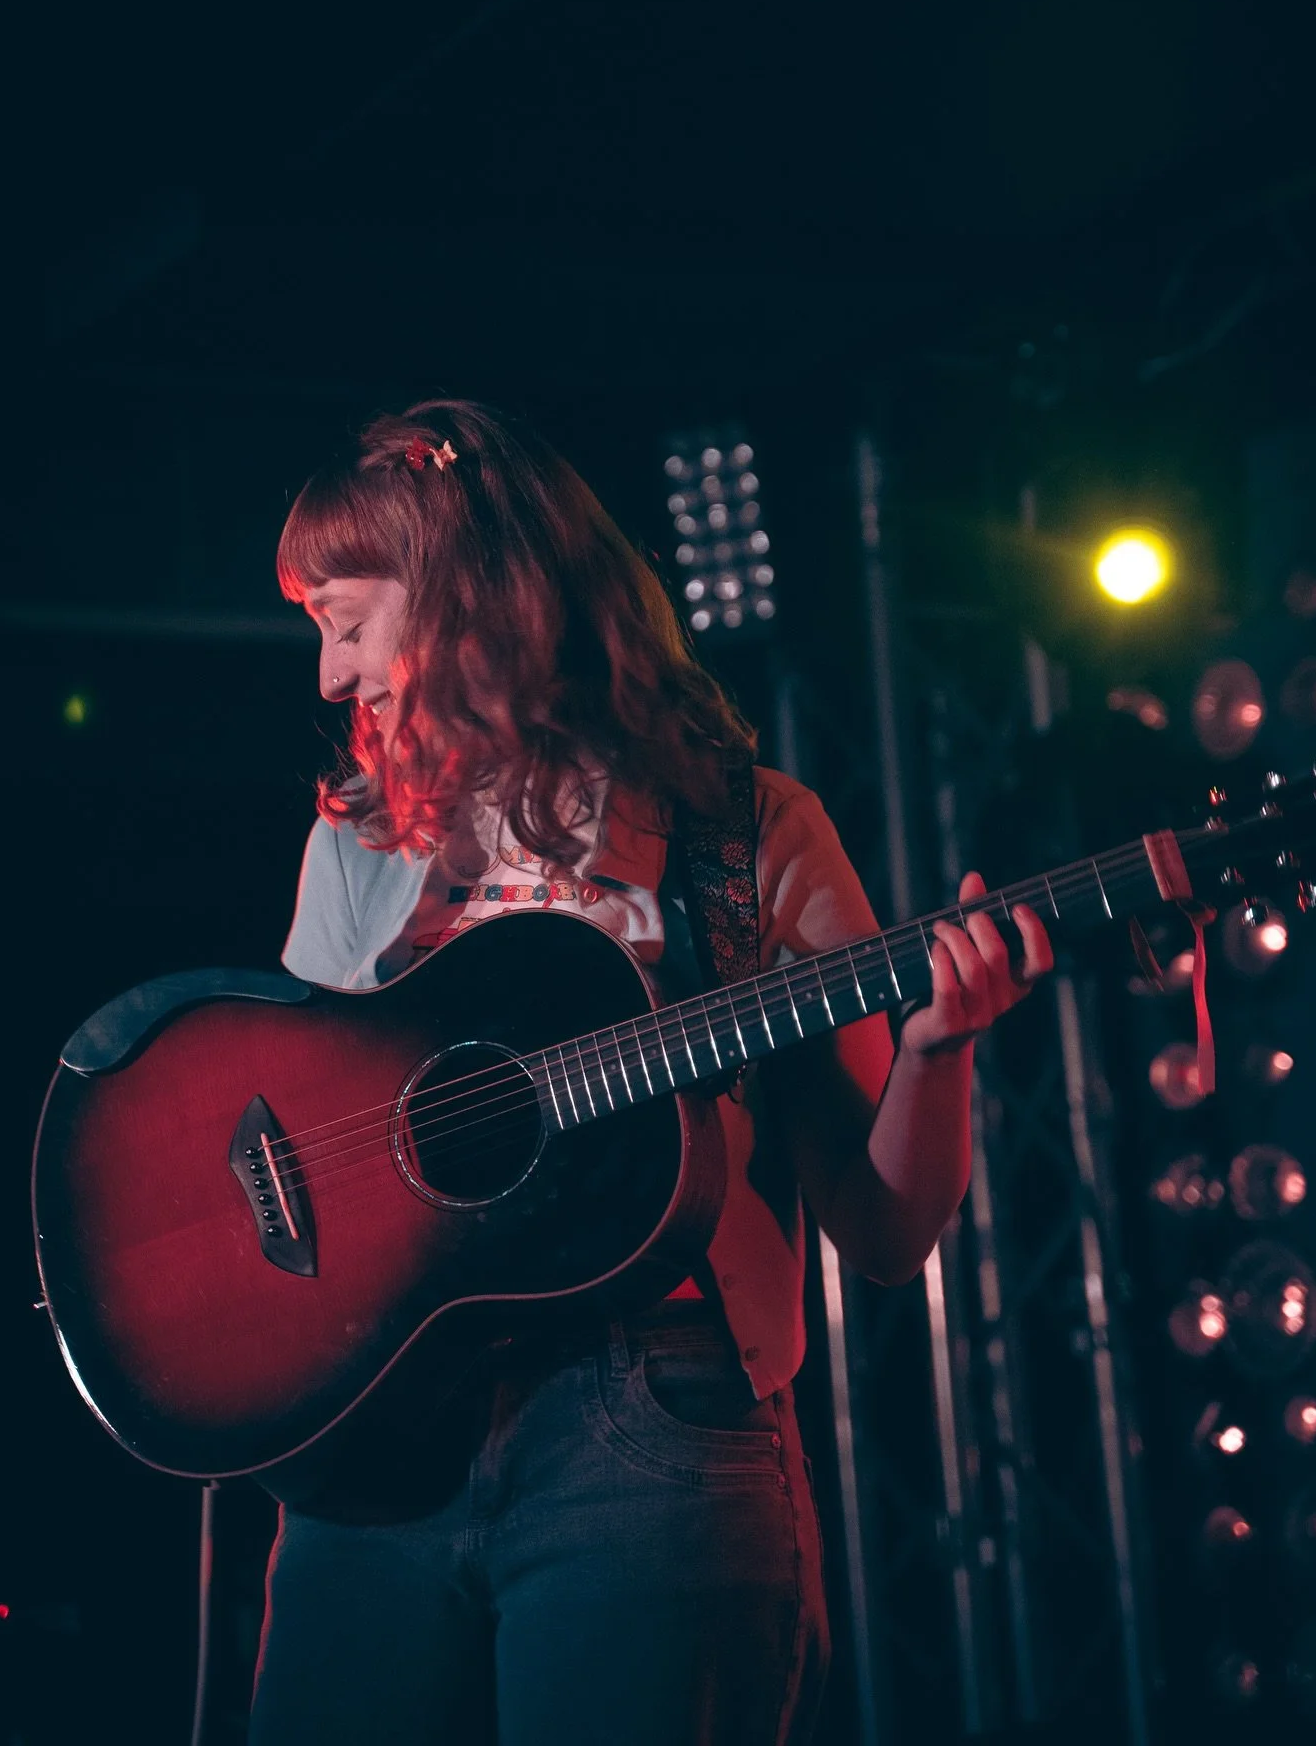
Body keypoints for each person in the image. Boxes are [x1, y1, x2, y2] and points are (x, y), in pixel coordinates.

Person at [249, 398, 1052, 1746]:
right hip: (391, 1444)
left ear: (456, 596)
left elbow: (887, 1229)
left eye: (345, 619)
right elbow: (289, 1157)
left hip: (657, 1428)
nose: (331, 677)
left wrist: (941, 1048)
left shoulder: (749, 838)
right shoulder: (361, 847)